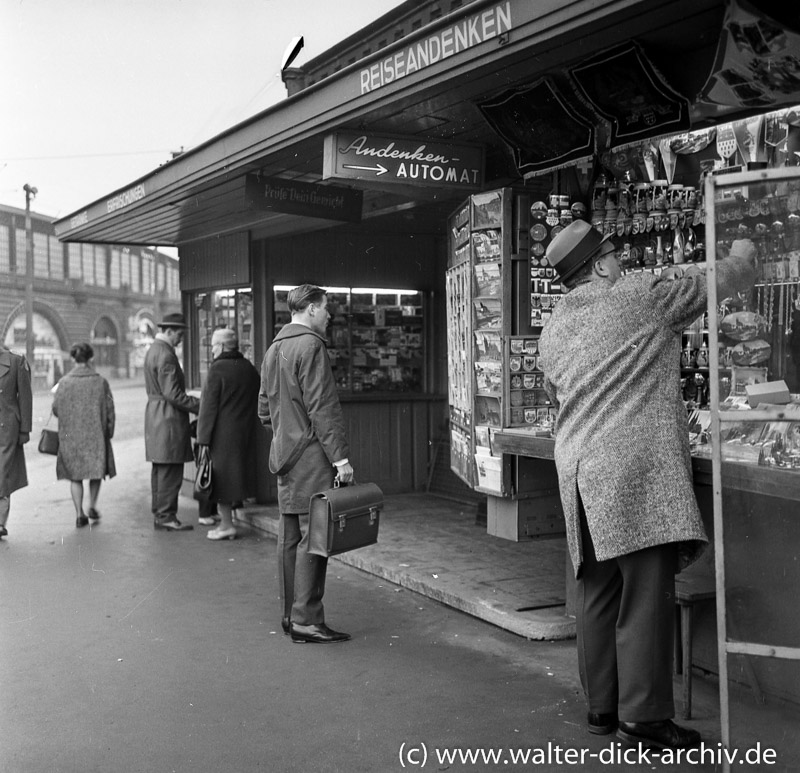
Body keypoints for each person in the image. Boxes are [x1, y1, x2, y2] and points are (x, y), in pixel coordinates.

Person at [537, 220, 757, 750]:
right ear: (599, 265)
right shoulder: (639, 296)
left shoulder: (553, 327)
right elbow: (713, 282)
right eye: (614, 254)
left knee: (598, 592)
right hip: (636, 473)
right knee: (645, 597)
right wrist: (744, 257)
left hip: (581, 471)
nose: (622, 263)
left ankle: (602, 710)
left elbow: (555, 392)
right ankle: (645, 718)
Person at [258, 283, 354, 644]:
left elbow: (264, 410)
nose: (329, 314)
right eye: (326, 307)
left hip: (284, 455)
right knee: (315, 538)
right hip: (312, 456)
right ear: (311, 308)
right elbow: (323, 406)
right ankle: (307, 619)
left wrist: (286, 435)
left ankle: (290, 615)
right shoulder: (311, 345)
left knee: (289, 536)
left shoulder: (274, 349)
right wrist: (340, 458)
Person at [196, 328, 261, 540]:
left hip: (222, 434)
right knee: (237, 476)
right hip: (246, 432)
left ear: (222, 346)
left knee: (222, 480)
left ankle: (226, 525)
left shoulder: (217, 369)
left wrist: (202, 439)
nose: (213, 350)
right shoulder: (248, 368)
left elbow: (208, 407)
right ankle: (228, 523)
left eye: (214, 345)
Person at [144, 312, 199, 531]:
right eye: (179, 335)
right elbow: (173, 394)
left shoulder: (154, 350)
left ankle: (160, 513)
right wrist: (199, 405)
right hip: (168, 418)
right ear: (168, 331)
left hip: (156, 416)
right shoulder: (166, 354)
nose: (180, 339)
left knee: (160, 468)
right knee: (170, 469)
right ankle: (167, 516)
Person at [52, 343, 116, 527]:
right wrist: (108, 432)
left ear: (73, 359)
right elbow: (110, 410)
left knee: (75, 476)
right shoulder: (100, 382)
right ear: (90, 358)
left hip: (71, 437)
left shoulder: (64, 383)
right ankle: (92, 505)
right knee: (96, 472)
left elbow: (56, 409)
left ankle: (79, 513)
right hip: (96, 436)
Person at [0, 343, 32, 539]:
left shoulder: (16, 361)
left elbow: (26, 398)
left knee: (2, 471)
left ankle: (0, 521)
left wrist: (24, 429)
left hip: (7, 426)